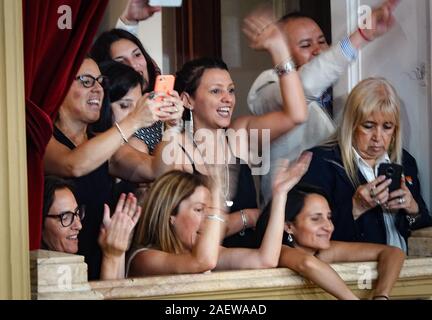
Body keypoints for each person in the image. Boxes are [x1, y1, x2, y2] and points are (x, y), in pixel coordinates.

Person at [152, 13, 308, 248]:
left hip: (253, 257)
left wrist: (278, 49)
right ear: (187, 100)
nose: (227, 99)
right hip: (207, 264)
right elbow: (193, 230)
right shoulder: (177, 149)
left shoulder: (240, 135)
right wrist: (248, 217)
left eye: (231, 90)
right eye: (216, 91)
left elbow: (296, 114)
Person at [248, 0, 400, 206]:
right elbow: (306, 85)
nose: (319, 51)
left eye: (322, 41)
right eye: (305, 45)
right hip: (287, 215)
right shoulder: (267, 89)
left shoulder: (342, 99)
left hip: (333, 215)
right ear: (281, 54)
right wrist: (360, 36)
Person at [43, 57, 180, 279]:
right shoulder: (43, 140)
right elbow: (74, 164)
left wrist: (171, 127)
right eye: (87, 81)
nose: (98, 89)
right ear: (60, 85)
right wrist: (134, 120)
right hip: (56, 271)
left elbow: (158, 171)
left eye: (100, 81)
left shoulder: (104, 142)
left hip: (102, 265)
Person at [127, 152, 312, 277]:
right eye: (199, 210)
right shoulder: (144, 257)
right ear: (170, 216)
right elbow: (202, 262)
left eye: (209, 210)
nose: (208, 218)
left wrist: (280, 194)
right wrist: (217, 199)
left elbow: (266, 260)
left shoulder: (204, 252)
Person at [300, 78, 432, 251]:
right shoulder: (321, 161)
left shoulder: (405, 161)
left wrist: (413, 209)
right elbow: (306, 236)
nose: (378, 137)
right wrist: (356, 207)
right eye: (368, 126)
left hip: (405, 267)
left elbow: (422, 226)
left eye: (387, 127)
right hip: (352, 270)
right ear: (351, 124)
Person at [256, 184, 406, 300]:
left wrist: (381, 295)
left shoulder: (321, 250)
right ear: (288, 226)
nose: (328, 227)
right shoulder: (279, 251)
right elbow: (306, 263)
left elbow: (393, 252)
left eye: (329, 217)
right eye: (316, 219)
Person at [42, 176, 141, 280]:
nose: (79, 226)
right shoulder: (38, 273)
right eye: (66, 217)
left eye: (77, 213)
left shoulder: (74, 265)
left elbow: (118, 293)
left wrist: (117, 251)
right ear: (39, 222)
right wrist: (111, 256)